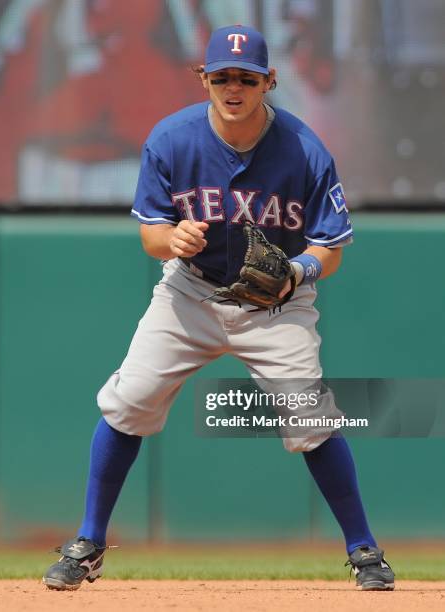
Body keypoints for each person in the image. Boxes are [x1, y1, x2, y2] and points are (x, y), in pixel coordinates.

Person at [43, 24, 394, 592]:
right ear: (203, 78)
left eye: (247, 78)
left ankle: (363, 550)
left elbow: (329, 248)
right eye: (223, 76)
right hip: (191, 294)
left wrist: (297, 271)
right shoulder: (172, 139)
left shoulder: (305, 148)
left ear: (268, 82)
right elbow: (152, 234)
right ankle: (87, 542)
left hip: (276, 305)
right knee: (128, 400)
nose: (234, 88)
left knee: (311, 416)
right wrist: (171, 239)